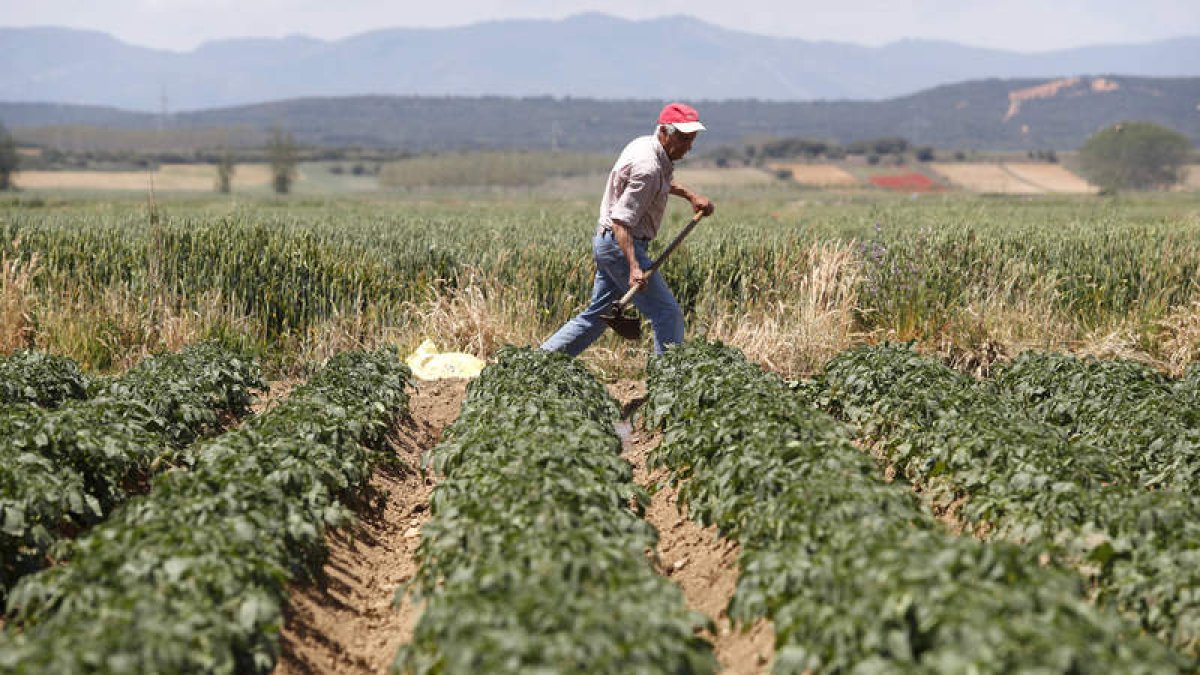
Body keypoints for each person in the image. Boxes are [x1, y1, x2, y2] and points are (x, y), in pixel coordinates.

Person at [541, 102, 715, 357]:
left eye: (692, 140)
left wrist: (690, 196)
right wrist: (634, 266)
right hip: (620, 244)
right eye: (685, 139)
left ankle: (539, 361)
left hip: (610, 243)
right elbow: (621, 220)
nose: (689, 147)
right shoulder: (648, 167)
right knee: (667, 313)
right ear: (665, 133)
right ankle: (669, 384)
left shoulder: (646, 145)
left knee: (598, 316)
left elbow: (661, 183)